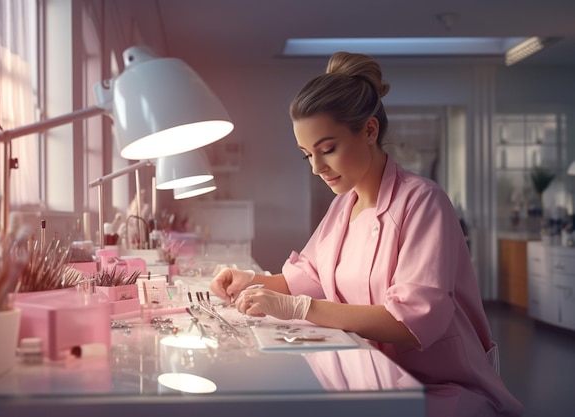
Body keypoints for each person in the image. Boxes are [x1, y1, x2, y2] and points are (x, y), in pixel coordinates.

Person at [210, 51, 523, 417]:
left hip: (436, 388)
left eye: (327, 150)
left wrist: (301, 309)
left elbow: (410, 320)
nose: (317, 168)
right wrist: (250, 281)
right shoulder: (344, 206)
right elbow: (308, 277)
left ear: (370, 130)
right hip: (371, 375)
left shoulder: (422, 201)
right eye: (306, 155)